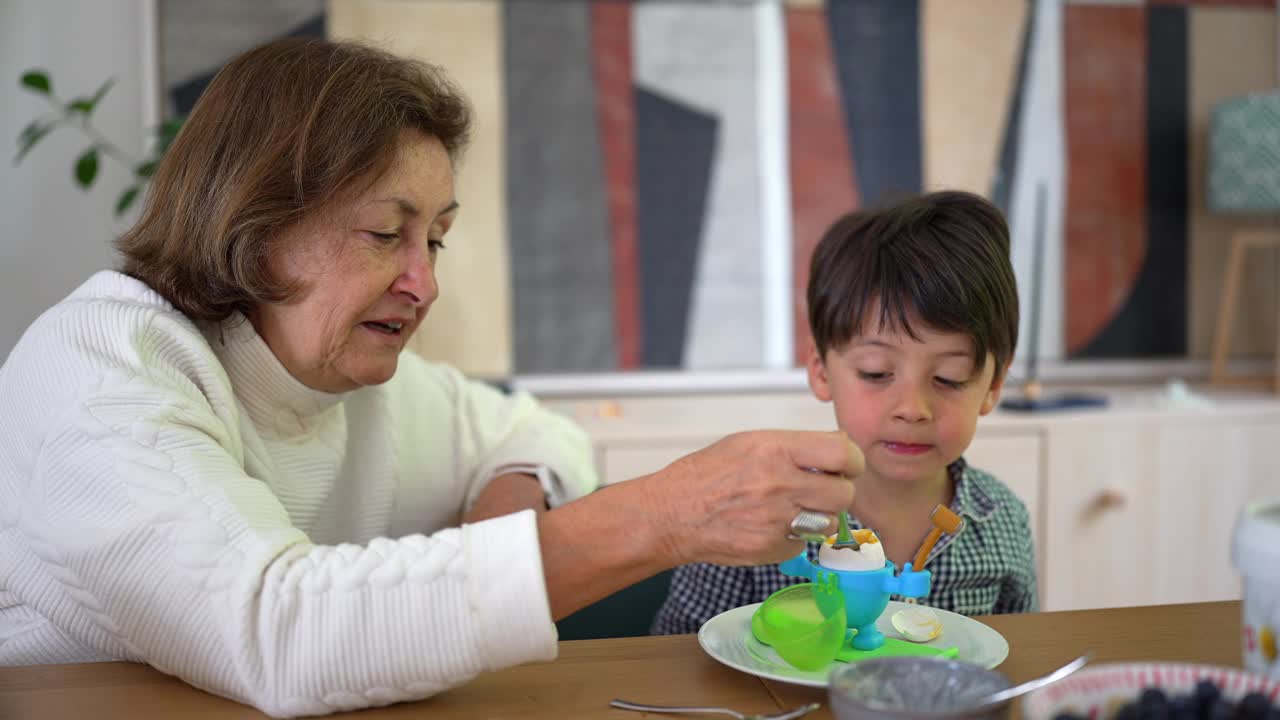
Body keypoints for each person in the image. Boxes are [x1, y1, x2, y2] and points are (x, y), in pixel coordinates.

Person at [0, 39, 864, 718]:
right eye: (387, 233)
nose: (425, 283)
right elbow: (275, 629)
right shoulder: (103, 369)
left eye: (436, 239)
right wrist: (667, 514)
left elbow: (532, 430)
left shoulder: (354, 379)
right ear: (258, 224)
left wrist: (507, 507)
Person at [652, 191, 1038, 635]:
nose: (912, 409)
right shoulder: (762, 509)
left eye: (949, 378)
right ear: (821, 370)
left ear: (992, 385)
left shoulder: (1003, 520)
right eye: (876, 373)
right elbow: (680, 656)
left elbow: (1015, 659)